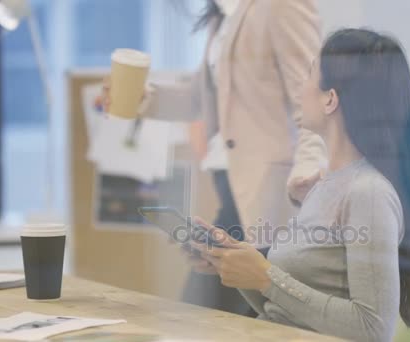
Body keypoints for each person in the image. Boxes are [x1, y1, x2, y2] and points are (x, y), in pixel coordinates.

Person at [187, 28, 410, 341]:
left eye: (310, 74)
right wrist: (234, 265)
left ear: (330, 99)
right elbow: (284, 309)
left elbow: (373, 329)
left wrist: (266, 277)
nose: (300, 89)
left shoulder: (369, 193)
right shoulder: (325, 186)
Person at [100, 0, 326, 316]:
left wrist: (308, 170)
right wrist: (142, 99)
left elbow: (312, 97)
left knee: (207, 314)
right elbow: (199, 98)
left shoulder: (281, 5)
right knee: (211, 312)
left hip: (270, 196)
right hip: (232, 190)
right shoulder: (223, 15)